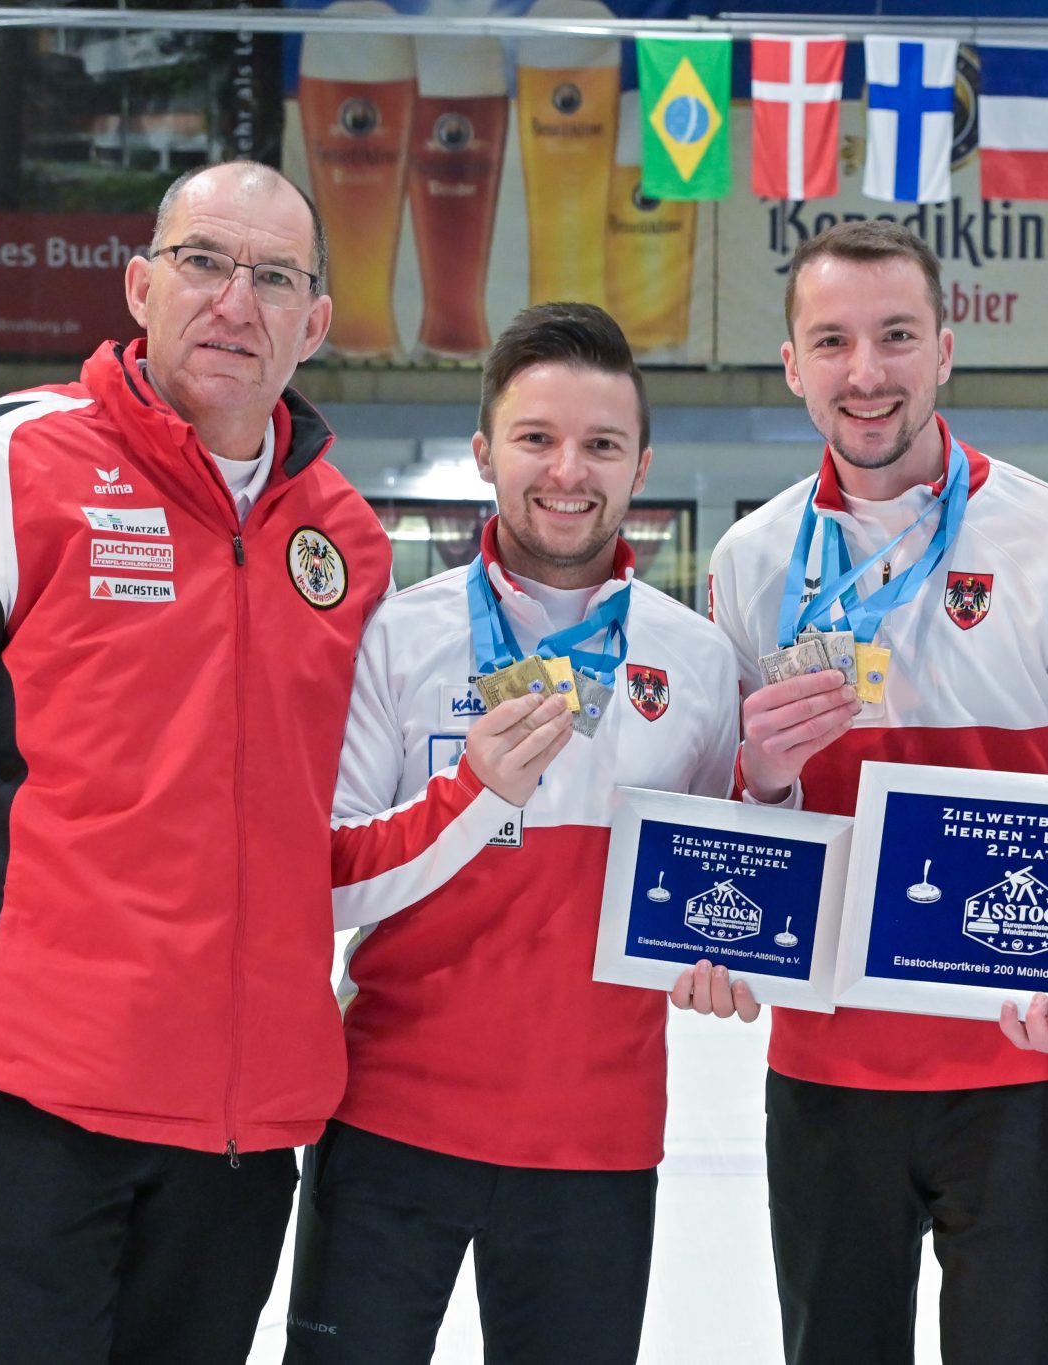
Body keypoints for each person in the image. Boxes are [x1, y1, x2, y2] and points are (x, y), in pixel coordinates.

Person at [0, 161, 392, 1365]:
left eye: (275, 277)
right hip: (23, 1117)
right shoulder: (5, 467)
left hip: (236, 1139)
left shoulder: (344, 536)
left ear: (315, 322)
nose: (236, 301)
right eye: (203, 263)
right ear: (139, 285)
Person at [706, 220, 1048, 1365]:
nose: (866, 373)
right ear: (792, 365)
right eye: (832, 341)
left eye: (895, 336)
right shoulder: (749, 564)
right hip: (824, 1073)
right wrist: (761, 782)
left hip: (1017, 1068)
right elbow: (728, 826)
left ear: (944, 347)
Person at [284, 302, 746, 1365]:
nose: (567, 471)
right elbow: (332, 884)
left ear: (639, 464)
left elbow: (725, 888)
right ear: (484, 448)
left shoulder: (697, 659)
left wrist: (726, 943)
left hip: (593, 1137)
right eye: (537, 438)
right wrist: (474, 793)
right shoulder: (396, 635)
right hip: (391, 1120)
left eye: (600, 444)